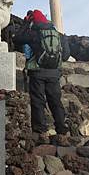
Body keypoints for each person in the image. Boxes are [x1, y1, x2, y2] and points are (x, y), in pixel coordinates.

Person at [13, 9, 70, 143]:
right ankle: (62, 132)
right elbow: (66, 56)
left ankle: (41, 133)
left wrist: (26, 24)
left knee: (38, 101)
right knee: (55, 101)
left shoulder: (34, 33)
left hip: (37, 72)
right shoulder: (59, 35)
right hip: (54, 74)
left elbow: (17, 39)